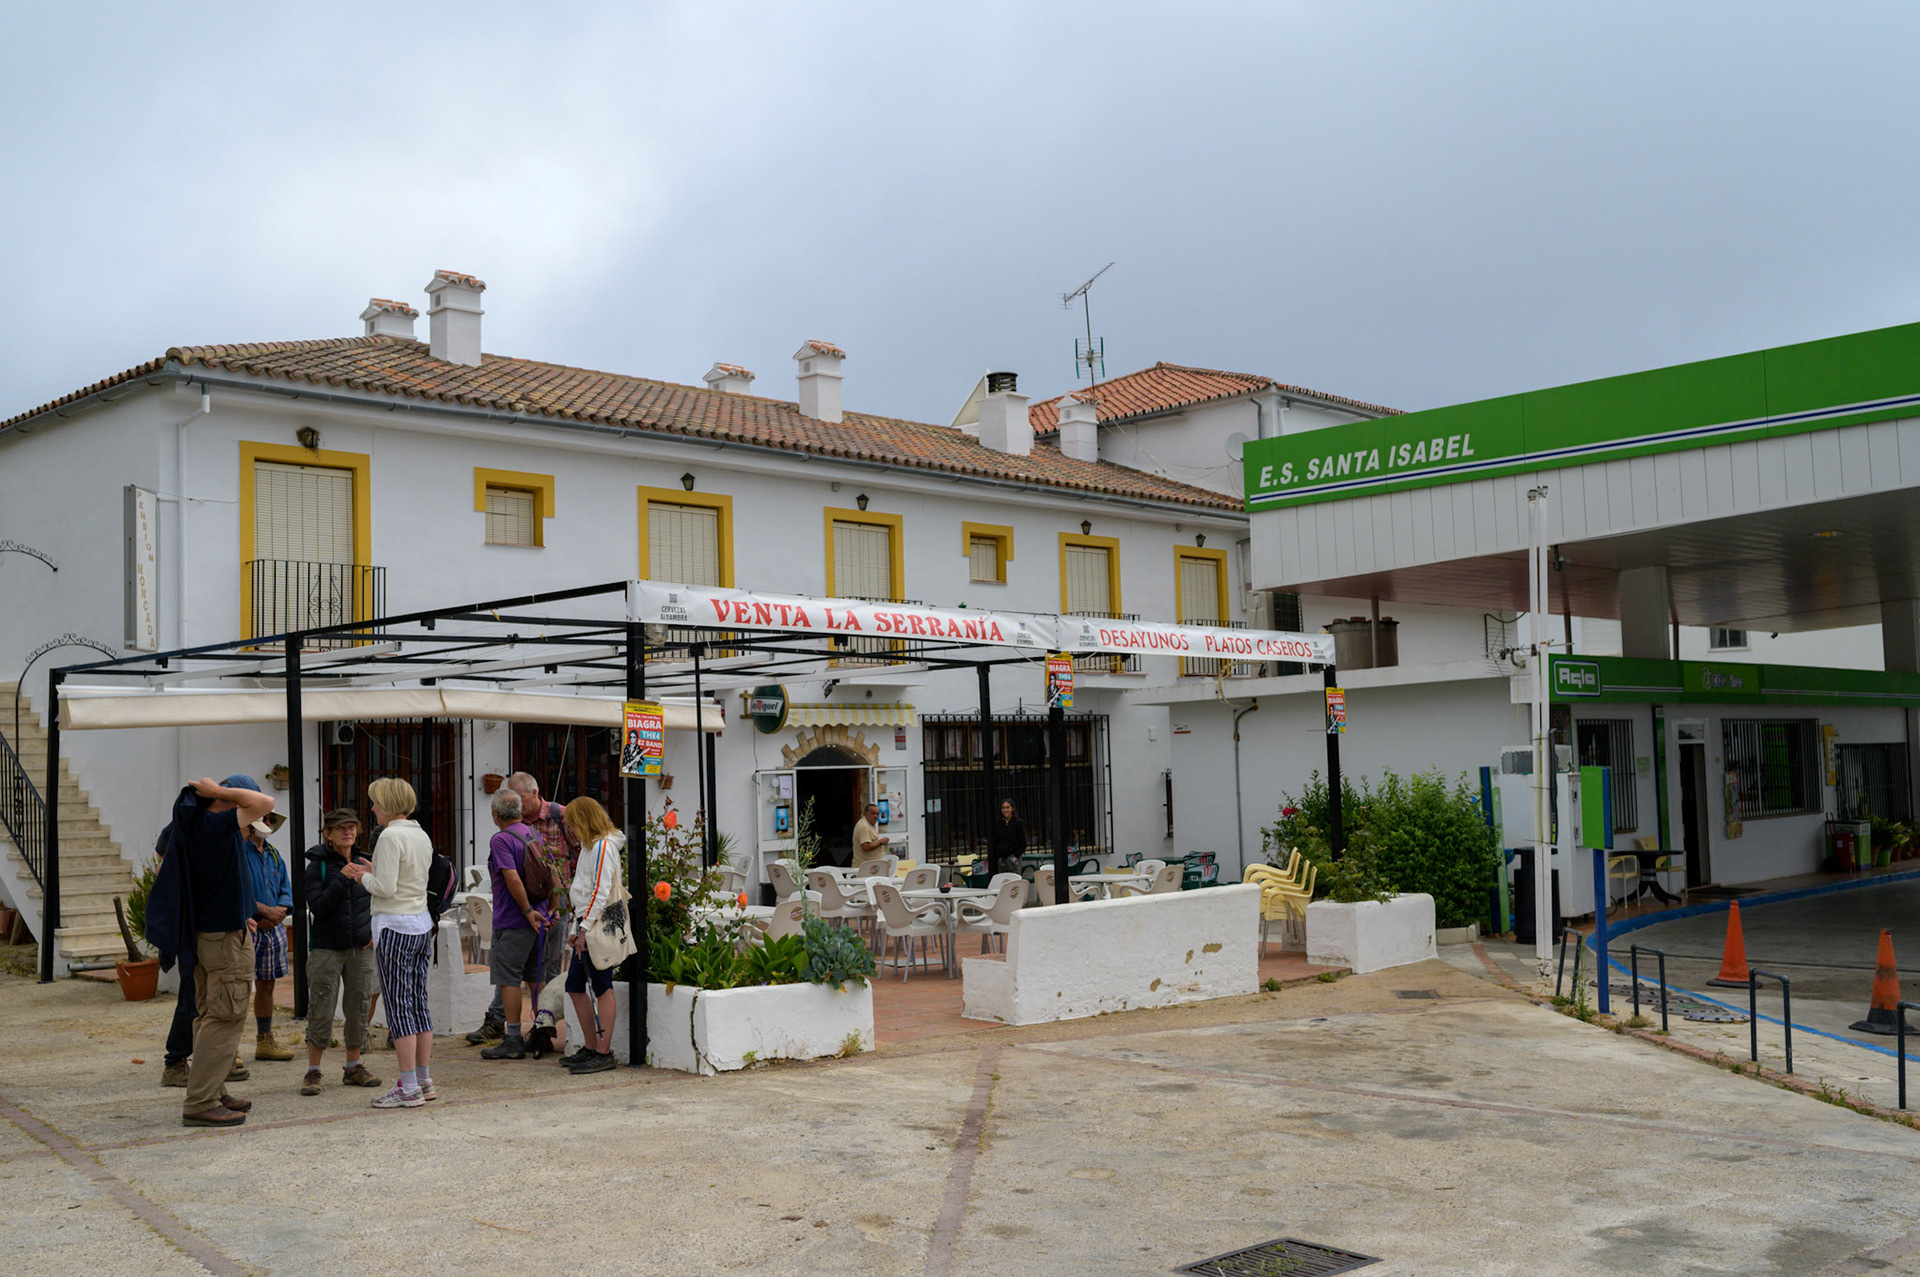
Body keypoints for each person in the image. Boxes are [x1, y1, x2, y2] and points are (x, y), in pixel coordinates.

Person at [166, 775, 275, 1128]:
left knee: (207, 1014)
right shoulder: (213, 824)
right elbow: (265, 804)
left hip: (208, 935)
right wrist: (219, 791)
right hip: (223, 940)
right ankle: (200, 1101)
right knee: (225, 1017)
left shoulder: (196, 824)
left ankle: (213, 1091)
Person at [341, 778, 436, 1109]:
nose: (372, 809)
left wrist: (361, 876)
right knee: (418, 1004)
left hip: (395, 926)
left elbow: (384, 888)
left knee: (399, 1009)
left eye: (375, 803)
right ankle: (423, 1080)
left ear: (388, 804)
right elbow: (407, 877)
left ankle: (408, 1086)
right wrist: (374, 871)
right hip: (421, 924)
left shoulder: (389, 836)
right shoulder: (419, 833)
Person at [156, 826, 249, 1090]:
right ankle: (177, 1064)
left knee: (209, 1007)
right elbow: (162, 869)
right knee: (194, 1005)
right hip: (200, 937)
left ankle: (213, 1076)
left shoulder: (221, 842)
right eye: (248, 828)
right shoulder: (195, 831)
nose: (249, 836)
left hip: (209, 935)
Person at [300, 808, 382, 1096]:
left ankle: (353, 1066)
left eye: (352, 827)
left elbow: (381, 897)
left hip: (361, 947)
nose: (347, 832)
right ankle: (313, 1070)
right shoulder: (317, 866)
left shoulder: (367, 862)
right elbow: (318, 906)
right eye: (340, 828)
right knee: (321, 1007)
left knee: (358, 1007)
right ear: (328, 834)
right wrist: (343, 878)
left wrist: (375, 930)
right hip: (326, 947)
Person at [505, 772, 577, 1055]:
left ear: (535, 793)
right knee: (528, 967)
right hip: (533, 907)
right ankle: (537, 1027)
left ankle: (545, 1030)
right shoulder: (518, 823)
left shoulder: (561, 816)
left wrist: (569, 894)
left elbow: (582, 851)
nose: (516, 803)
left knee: (550, 964)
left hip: (560, 904)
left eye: (520, 797)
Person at [558, 797, 625, 1075]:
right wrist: (577, 929)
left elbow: (599, 891)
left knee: (601, 984)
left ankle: (603, 1050)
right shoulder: (592, 847)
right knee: (576, 986)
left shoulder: (602, 847)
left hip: (596, 927)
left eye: (572, 823)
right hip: (588, 924)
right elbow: (587, 893)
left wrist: (582, 929)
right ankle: (591, 1046)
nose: (570, 829)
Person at [481, 789, 549, 1061]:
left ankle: (512, 1038)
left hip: (514, 919)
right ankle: (542, 1033)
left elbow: (512, 878)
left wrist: (526, 910)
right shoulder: (535, 834)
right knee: (536, 978)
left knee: (509, 980)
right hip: (541, 920)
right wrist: (550, 909)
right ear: (520, 811)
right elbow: (553, 871)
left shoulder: (501, 840)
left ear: (496, 815)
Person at [243, 813, 294, 1061]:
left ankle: (264, 1040)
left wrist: (280, 911)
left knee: (267, 984)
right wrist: (263, 911)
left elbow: (285, 887)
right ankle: (227, 1049)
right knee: (238, 989)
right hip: (248, 927)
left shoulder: (274, 854)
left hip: (272, 929)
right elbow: (235, 889)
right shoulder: (240, 852)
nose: (269, 825)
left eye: (272, 821)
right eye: (265, 820)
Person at [990, 799, 1028, 877]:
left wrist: (1016, 856)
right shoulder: (998, 823)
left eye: (1007, 807)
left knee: (1015, 882)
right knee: (1003, 881)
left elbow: (1023, 841)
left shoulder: (1018, 823)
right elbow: (996, 840)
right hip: (1002, 859)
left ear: (1012, 809)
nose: (1005, 810)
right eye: (1003, 808)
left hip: (1013, 857)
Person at [852, 802, 890, 869]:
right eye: (873, 813)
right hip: (865, 868)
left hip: (871, 867)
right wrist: (880, 842)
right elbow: (865, 847)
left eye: (877, 814)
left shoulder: (868, 825)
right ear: (866, 813)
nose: (875, 816)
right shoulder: (864, 826)